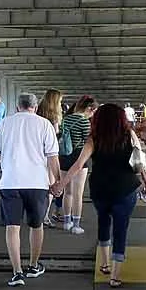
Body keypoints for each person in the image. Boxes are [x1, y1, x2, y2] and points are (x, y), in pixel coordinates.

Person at [55, 104, 146, 288]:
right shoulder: (129, 136)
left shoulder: (94, 139)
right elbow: (140, 162)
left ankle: (105, 263)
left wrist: (61, 184)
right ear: (121, 119)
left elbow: (78, 165)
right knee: (121, 229)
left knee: (104, 221)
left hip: (100, 189)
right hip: (126, 189)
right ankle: (115, 275)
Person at [0, 92, 59, 288]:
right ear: (35, 107)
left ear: (17, 107)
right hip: (37, 184)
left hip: (10, 183)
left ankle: (17, 272)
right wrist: (57, 181)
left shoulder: (5, 123)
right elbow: (52, 157)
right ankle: (33, 266)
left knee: (12, 227)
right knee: (36, 225)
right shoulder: (44, 124)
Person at [57, 95, 97, 235]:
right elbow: (88, 141)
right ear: (88, 108)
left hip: (64, 156)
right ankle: (76, 225)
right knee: (77, 193)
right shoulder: (84, 121)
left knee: (67, 192)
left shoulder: (66, 119)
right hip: (79, 156)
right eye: (93, 111)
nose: (93, 114)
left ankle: (66, 222)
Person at [36, 90, 65, 227]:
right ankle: (44, 216)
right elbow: (55, 136)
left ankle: (38, 213)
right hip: (49, 155)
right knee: (50, 186)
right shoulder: (53, 118)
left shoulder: (37, 113)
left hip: (36, 154)